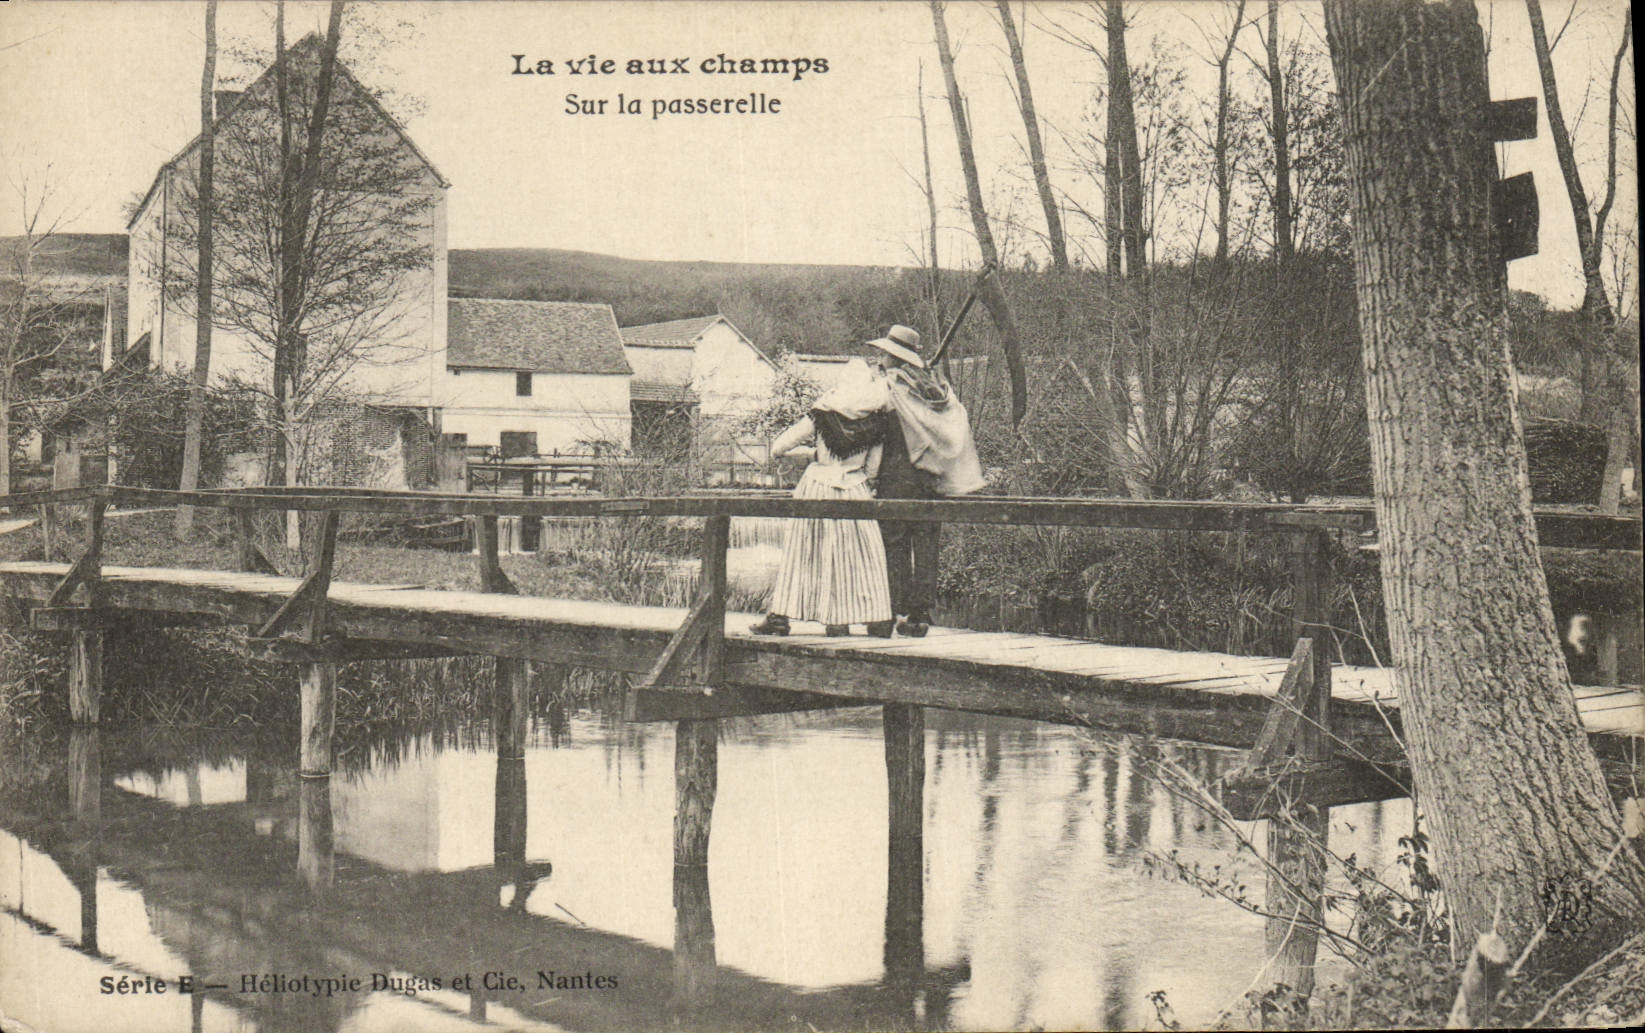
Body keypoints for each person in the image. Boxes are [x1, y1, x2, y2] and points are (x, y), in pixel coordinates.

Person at [750, 358, 895, 638]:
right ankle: (871, 618)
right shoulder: (877, 420)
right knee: (861, 556)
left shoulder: (822, 412)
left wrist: (812, 455)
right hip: (855, 490)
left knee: (803, 554)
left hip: (817, 486)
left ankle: (781, 616)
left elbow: (779, 447)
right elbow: (873, 469)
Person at [866, 324, 985, 638]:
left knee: (893, 544)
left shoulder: (890, 386)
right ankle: (919, 614)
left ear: (894, 357)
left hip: (897, 475)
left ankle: (889, 612)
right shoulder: (937, 387)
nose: (880, 358)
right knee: (927, 542)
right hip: (932, 477)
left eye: (884, 354)